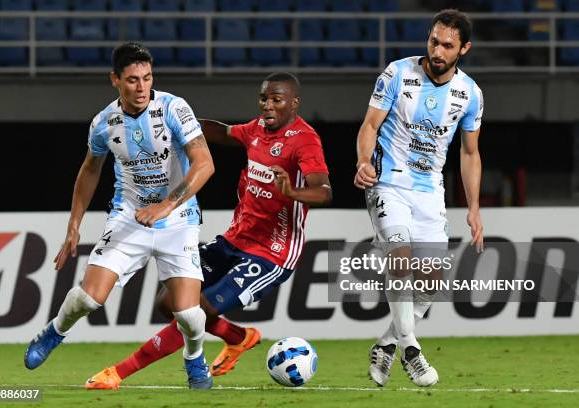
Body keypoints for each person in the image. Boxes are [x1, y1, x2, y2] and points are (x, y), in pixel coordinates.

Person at [84, 72, 332, 390]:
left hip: (272, 253)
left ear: (294, 103)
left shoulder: (305, 139)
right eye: (264, 99)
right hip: (234, 240)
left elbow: (324, 191)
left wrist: (292, 192)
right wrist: (174, 119)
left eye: (276, 100)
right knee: (167, 302)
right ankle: (238, 338)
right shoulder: (256, 129)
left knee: (197, 309)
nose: (268, 106)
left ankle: (118, 372)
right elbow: (225, 132)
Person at [23, 43, 216, 389]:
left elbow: (205, 164)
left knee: (188, 314)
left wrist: (166, 206)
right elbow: (89, 169)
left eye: (147, 78)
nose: (141, 87)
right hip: (128, 218)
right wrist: (74, 225)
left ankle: (195, 358)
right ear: (115, 80)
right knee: (87, 298)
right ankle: (55, 332)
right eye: (132, 80)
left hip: (179, 220)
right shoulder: (103, 123)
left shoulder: (174, 107)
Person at [354, 9, 484, 387]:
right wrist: (364, 159)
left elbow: (470, 153)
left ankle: (386, 344)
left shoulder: (470, 94)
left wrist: (474, 208)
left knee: (430, 282)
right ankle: (411, 348)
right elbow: (369, 125)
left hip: (429, 193)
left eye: (447, 45)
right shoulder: (397, 73)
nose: (438, 51)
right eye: (433, 41)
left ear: (464, 48)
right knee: (400, 253)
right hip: (388, 183)